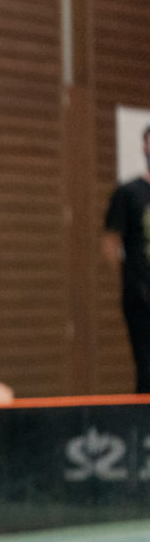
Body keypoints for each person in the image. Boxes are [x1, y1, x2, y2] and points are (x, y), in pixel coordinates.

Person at [103, 124, 150, 392]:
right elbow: (110, 242)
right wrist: (130, 281)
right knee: (147, 369)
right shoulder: (129, 193)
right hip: (141, 296)